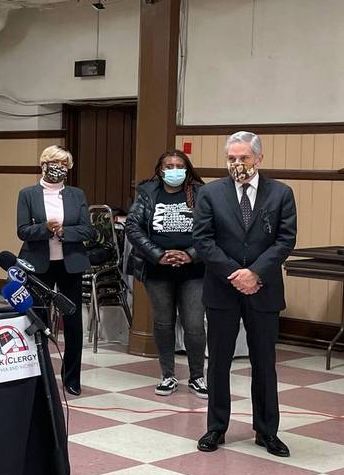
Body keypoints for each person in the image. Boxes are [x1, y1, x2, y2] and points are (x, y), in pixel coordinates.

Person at [194, 131, 297, 458]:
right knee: (219, 362)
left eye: (244, 158)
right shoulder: (210, 193)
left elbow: (285, 240)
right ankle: (216, 427)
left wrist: (255, 273)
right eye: (232, 159)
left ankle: (267, 431)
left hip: (263, 289)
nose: (238, 164)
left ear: (259, 159)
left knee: (264, 362)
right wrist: (234, 274)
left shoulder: (281, 193)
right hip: (222, 289)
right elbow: (203, 239)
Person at [125, 150, 208, 399]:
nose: (174, 170)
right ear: (160, 170)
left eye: (179, 165)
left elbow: (212, 229)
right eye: (169, 165)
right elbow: (132, 226)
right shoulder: (148, 192)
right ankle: (168, 375)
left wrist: (190, 254)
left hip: (194, 269)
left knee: (194, 323)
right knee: (163, 322)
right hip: (156, 269)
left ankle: (197, 376)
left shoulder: (202, 193)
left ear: (187, 169)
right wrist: (158, 254)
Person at [15, 145, 94, 396]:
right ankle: (39, 376)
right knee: (38, 320)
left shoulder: (76, 195)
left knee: (72, 323)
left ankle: (72, 378)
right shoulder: (27, 194)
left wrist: (64, 232)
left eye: (63, 163)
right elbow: (23, 230)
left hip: (70, 264)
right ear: (43, 164)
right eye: (53, 161)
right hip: (38, 265)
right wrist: (46, 229)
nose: (57, 167)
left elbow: (88, 230)